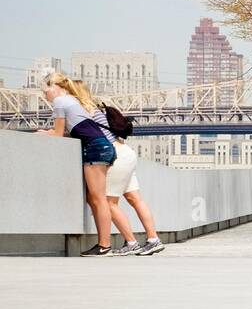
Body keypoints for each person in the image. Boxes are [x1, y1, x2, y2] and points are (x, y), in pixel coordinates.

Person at [36, 71, 116, 256]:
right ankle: (103, 244)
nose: (44, 95)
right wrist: (51, 131)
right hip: (103, 146)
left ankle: (105, 246)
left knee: (98, 199)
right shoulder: (74, 100)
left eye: (45, 89)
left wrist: (43, 134)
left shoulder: (59, 102)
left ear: (56, 87)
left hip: (94, 148)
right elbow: (71, 131)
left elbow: (57, 134)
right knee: (94, 198)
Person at [100, 105, 165, 256]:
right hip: (127, 152)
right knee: (136, 199)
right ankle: (153, 239)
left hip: (115, 154)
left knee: (109, 203)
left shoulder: (91, 113)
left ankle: (131, 243)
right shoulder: (105, 112)